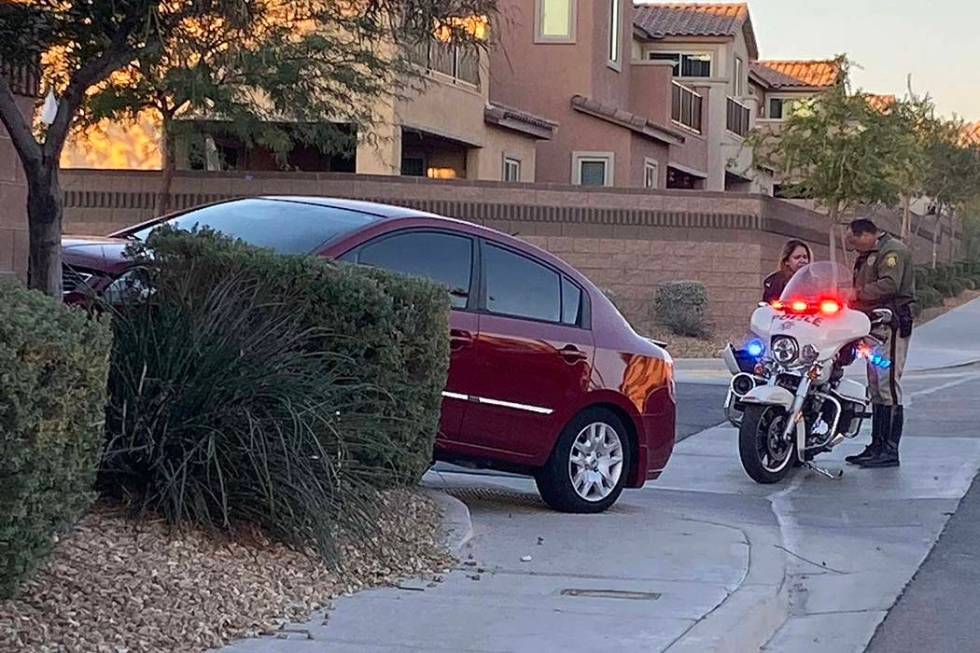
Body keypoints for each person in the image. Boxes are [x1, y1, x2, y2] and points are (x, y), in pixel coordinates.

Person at [844, 218, 915, 468]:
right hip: (872, 324)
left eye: (854, 241)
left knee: (888, 385)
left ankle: (890, 449)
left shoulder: (891, 251)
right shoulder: (869, 253)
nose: (853, 247)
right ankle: (876, 445)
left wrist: (858, 294)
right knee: (875, 385)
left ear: (866, 235)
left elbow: (890, 284)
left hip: (891, 323)